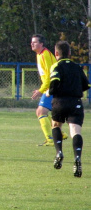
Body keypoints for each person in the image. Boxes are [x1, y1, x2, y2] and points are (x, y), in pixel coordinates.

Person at [49, 41, 90, 177]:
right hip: (75, 102)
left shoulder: (56, 66)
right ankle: (77, 157)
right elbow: (86, 85)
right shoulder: (77, 67)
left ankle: (59, 152)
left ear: (56, 53)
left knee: (56, 125)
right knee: (75, 131)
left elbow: (54, 82)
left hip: (60, 101)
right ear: (70, 53)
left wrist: (50, 91)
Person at [30, 34, 67, 146]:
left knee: (41, 112)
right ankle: (60, 133)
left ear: (41, 44)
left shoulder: (45, 54)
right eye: (32, 42)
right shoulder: (39, 54)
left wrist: (41, 90)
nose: (32, 44)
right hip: (52, 86)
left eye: (35, 42)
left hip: (54, 86)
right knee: (41, 112)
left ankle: (50, 139)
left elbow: (50, 75)